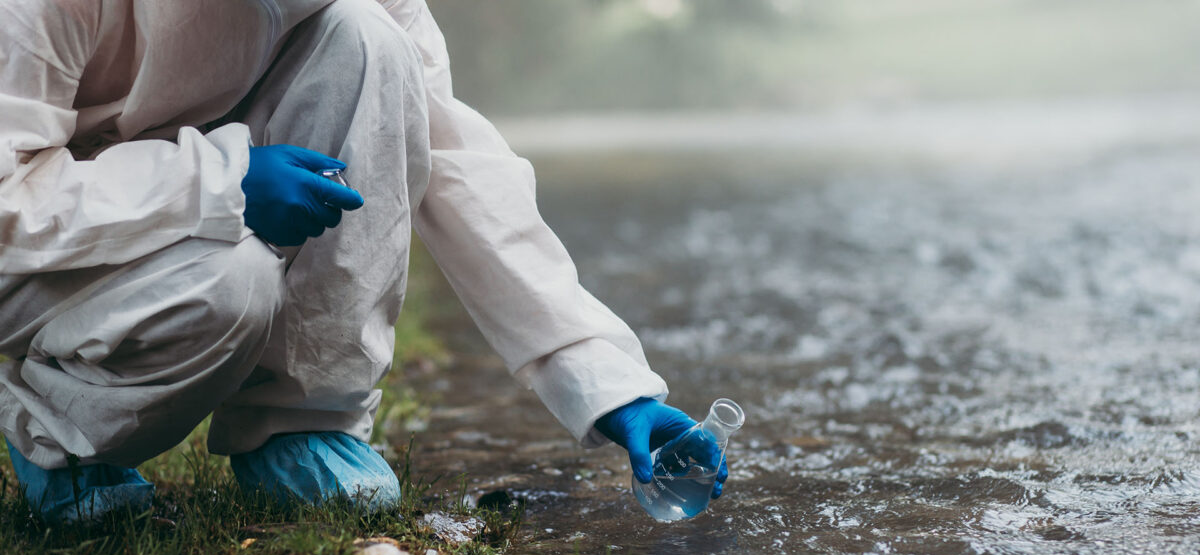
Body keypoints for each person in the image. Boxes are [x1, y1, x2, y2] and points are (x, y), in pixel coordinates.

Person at [0, 0, 726, 523]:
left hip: (173, 189)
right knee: (230, 284)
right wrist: (220, 180)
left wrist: (607, 384)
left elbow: (457, 166)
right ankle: (58, 429)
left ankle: (301, 419)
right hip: (41, 264)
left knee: (372, 41)